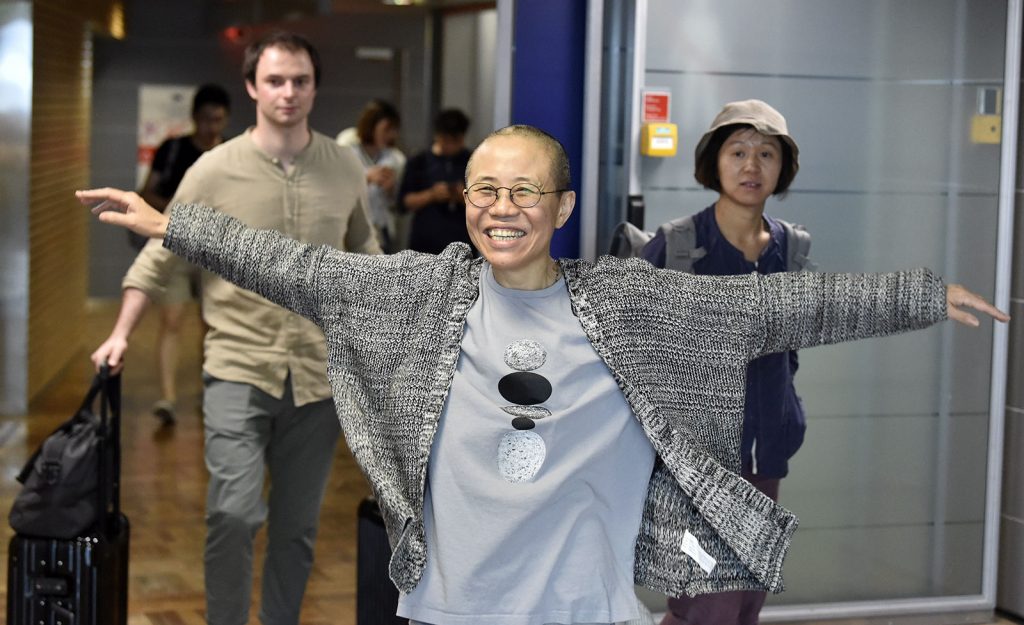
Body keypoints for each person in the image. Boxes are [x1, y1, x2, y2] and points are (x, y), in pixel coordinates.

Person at [80, 124, 1007, 625]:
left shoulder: (632, 302)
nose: (500, 206)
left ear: (562, 206)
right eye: (485, 188)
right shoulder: (420, 293)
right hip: (446, 608)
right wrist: (171, 224)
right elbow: (301, 267)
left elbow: (778, 307)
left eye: (525, 190)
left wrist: (922, 293)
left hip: (586, 610)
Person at [89, 31, 381, 625]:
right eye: (275, 80)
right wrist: (120, 333)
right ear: (252, 86)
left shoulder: (344, 166)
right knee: (233, 512)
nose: (289, 92)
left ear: (315, 87)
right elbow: (158, 255)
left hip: (321, 380)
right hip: (237, 367)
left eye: (300, 80)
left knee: (297, 528)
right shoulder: (213, 170)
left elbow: (365, 253)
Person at [642, 99, 807, 625]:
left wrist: (785, 414)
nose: (751, 166)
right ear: (714, 161)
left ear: (783, 167)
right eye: (737, 152)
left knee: (737, 606)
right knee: (714, 602)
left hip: (764, 458)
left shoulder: (793, 249)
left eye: (766, 153)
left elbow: (791, 352)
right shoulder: (678, 246)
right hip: (696, 466)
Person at [136, 83, 231, 425]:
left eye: (219, 120)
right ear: (194, 118)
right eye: (207, 120)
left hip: (215, 250)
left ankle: (211, 389)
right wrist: (181, 213)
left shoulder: (232, 155)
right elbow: (148, 192)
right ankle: (167, 398)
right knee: (171, 320)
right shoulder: (173, 150)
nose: (212, 128)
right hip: (175, 246)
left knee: (213, 324)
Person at [399, 108, 473, 254]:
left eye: (456, 141)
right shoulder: (419, 161)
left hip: (462, 244)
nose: (451, 146)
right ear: (437, 135)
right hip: (424, 245)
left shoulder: (473, 160)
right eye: (446, 140)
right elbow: (404, 203)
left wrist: (463, 196)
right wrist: (431, 195)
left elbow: (485, 201)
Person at [337, 99, 406, 252]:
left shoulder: (395, 158)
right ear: (372, 126)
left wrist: (390, 189)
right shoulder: (347, 147)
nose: (391, 135)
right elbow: (335, 186)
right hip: (349, 227)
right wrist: (367, 177)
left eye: (394, 130)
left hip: (380, 228)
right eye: (387, 129)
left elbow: (397, 203)